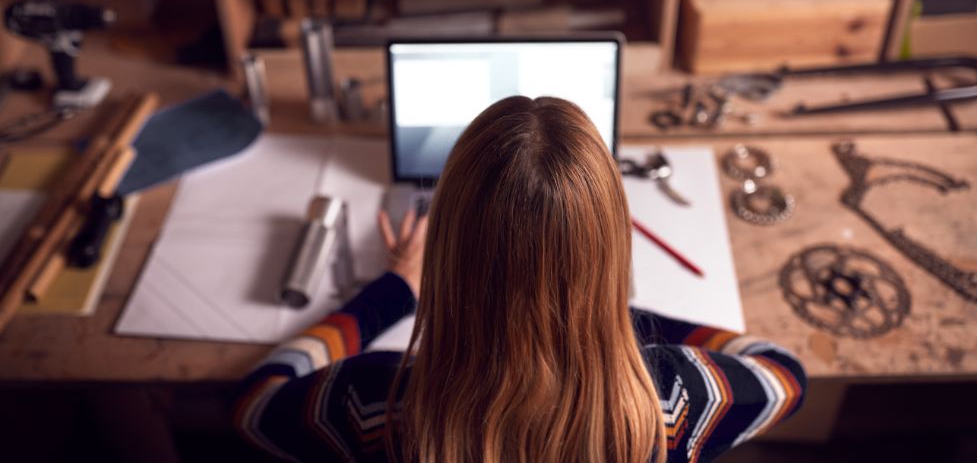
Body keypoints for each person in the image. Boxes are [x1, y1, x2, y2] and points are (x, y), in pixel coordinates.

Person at [234, 96, 806, 462]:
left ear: (449, 256)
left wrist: (394, 293)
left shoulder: (378, 408)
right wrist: (601, 313)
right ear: (608, 253)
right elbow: (784, 373)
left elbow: (258, 401)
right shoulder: (675, 403)